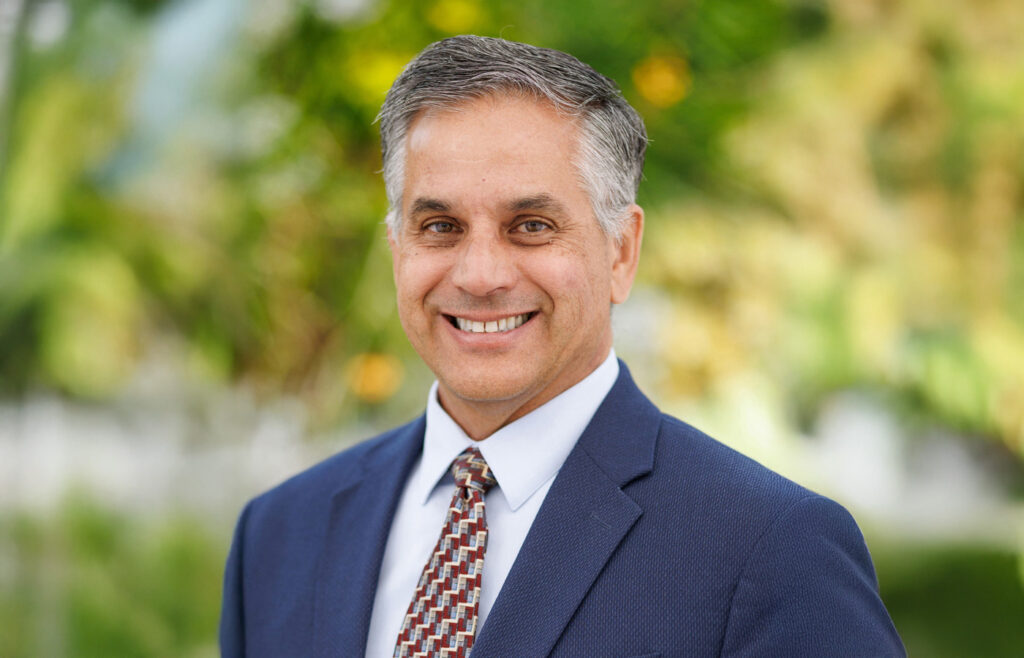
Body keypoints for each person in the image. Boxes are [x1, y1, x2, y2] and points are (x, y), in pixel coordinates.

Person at [219, 35, 905, 657]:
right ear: (398, 249)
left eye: (532, 225)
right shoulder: (279, 537)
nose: (481, 275)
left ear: (622, 252)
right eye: (441, 226)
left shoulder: (773, 551)